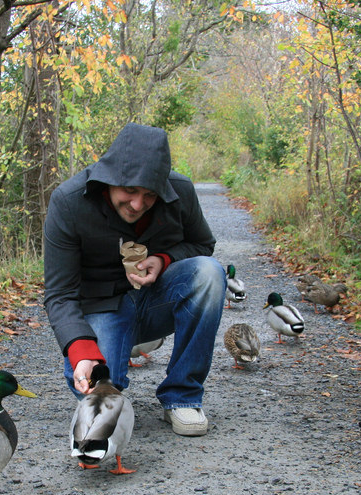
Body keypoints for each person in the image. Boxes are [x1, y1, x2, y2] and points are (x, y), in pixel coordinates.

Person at [43, 123, 225, 436]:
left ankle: (182, 396)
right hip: (102, 306)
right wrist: (83, 352)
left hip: (157, 299)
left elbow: (202, 245)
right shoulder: (69, 202)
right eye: (129, 191)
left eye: (150, 195)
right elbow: (60, 295)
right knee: (96, 389)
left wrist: (163, 259)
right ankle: (114, 346)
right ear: (108, 178)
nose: (138, 204)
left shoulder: (180, 192)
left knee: (210, 273)